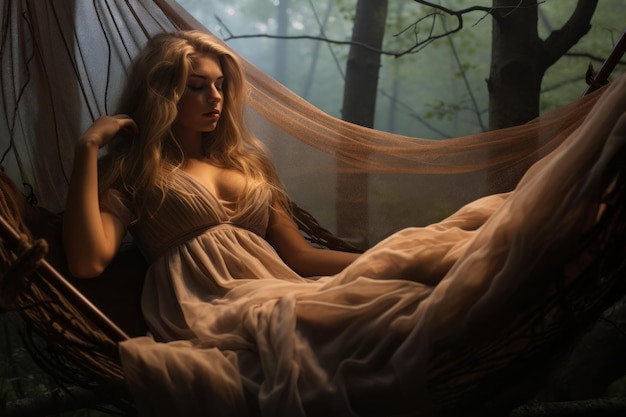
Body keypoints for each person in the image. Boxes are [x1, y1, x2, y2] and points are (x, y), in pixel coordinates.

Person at [62, 30, 626, 417]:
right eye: (196, 85)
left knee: (414, 278)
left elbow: (301, 259)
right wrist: (89, 152)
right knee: (367, 323)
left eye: (219, 85)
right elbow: (88, 261)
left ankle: (573, 210)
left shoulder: (248, 162)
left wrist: (387, 263)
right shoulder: (136, 173)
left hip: (282, 287)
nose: (214, 97)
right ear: (163, 91)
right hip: (215, 308)